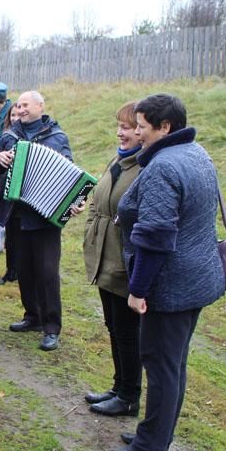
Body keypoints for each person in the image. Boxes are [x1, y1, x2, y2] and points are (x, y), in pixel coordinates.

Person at [110, 94, 224, 451]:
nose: (137, 132)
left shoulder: (163, 167)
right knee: (173, 362)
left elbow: (156, 237)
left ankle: (150, 444)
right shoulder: (195, 152)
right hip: (197, 277)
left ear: (165, 127)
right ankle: (157, 432)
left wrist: (137, 289)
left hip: (171, 283)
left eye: (142, 126)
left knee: (160, 364)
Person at [0, 90, 74, 351]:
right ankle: (32, 316)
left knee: (47, 272)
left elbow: (69, 172)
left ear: (40, 106)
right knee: (23, 269)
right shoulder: (10, 135)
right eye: (19, 106)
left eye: (25, 105)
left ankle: (51, 327)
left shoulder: (57, 137)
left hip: (45, 215)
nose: (20, 109)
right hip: (15, 213)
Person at [82, 102, 143, 417]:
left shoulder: (144, 168)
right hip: (103, 257)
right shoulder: (117, 161)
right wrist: (92, 229)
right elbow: (98, 201)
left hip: (123, 261)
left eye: (128, 127)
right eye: (119, 126)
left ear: (144, 130)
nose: (121, 132)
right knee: (113, 326)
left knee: (127, 331)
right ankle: (118, 387)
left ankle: (130, 397)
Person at [0, 101, 20, 285]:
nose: (16, 118)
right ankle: (11, 271)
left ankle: (25, 272)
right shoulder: (6, 137)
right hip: (6, 191)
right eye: (12, 115)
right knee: (9, 235)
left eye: (19, 115)